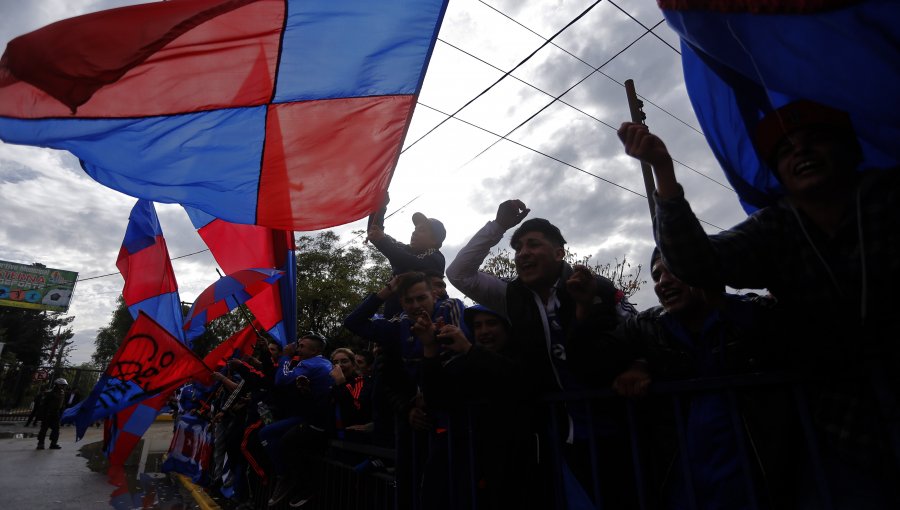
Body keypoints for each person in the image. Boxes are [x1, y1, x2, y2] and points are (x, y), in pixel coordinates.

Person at [618, 100, 900, 507]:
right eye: (785, 150)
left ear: (849, 152)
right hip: (844, 426)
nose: (799, 152)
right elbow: (696, 261)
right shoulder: (776, 226)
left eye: (814, 141)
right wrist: (663, 169)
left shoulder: (886, 199)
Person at [446, 202, 636, 508]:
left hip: (616, 424)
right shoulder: (512, 295)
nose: (523, 253)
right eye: (518, 248)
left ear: (559, 253)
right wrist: (498, 226)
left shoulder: (595, 287)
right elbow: (459, 274)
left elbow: (635, 330)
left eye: (534, 244)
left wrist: (639, 365)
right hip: (555, 432)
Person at [592, 248, 791, 509]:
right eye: (656, 274)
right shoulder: (650, 327)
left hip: (761, 491)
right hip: (681, 493)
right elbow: (590, 361)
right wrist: (589, 307)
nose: (663, 281)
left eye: (674, 268)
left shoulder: (750, 317)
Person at [264, 333, 334, 507]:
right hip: (307, 415)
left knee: (267, 434)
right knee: (271, 435)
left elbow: (281, 379)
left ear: (315, 350)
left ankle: (284, 477)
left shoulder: (310, 363)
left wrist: (286, 356)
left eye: (302, 346)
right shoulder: (322, 362)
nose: (298, 349)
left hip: (312, 420)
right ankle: (286, 477)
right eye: (299, 345)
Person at [367, 208, 447, 318]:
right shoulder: (405, 250)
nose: (414, 232)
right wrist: (380, 206)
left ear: (434, 240)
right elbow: (375, 232)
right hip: (393, 320)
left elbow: (407, 261)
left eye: (422, 230)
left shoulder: (436, 258)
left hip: (423, 323)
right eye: (415, 229)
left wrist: (382, 240)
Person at [36, 378, 68, 450]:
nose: (63, 386)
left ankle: (53, 443)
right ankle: (40, 443)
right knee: (44, 429)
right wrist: (42, 414)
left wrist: (61, 411)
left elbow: (62, 404)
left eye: (64, 385)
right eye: (62, 385)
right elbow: (43, 404)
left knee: (56, 429)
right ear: (57, 385)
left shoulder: (62, 393)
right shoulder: (49, 393)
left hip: (56, 413)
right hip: (47, 413)